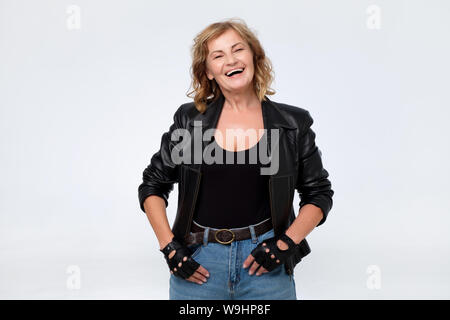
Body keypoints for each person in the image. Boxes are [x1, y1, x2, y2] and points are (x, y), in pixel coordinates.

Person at [138, 18, 334, 300]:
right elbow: (153, 186)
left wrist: (285, 244)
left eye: (238, 49)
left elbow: (318, 194)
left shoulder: (292, 123)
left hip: (265, 263)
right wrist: (169, 247)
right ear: (207, 71)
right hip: (199, 261)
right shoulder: (191, 120)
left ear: (254, 56)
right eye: (218, 56)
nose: (231, 60)